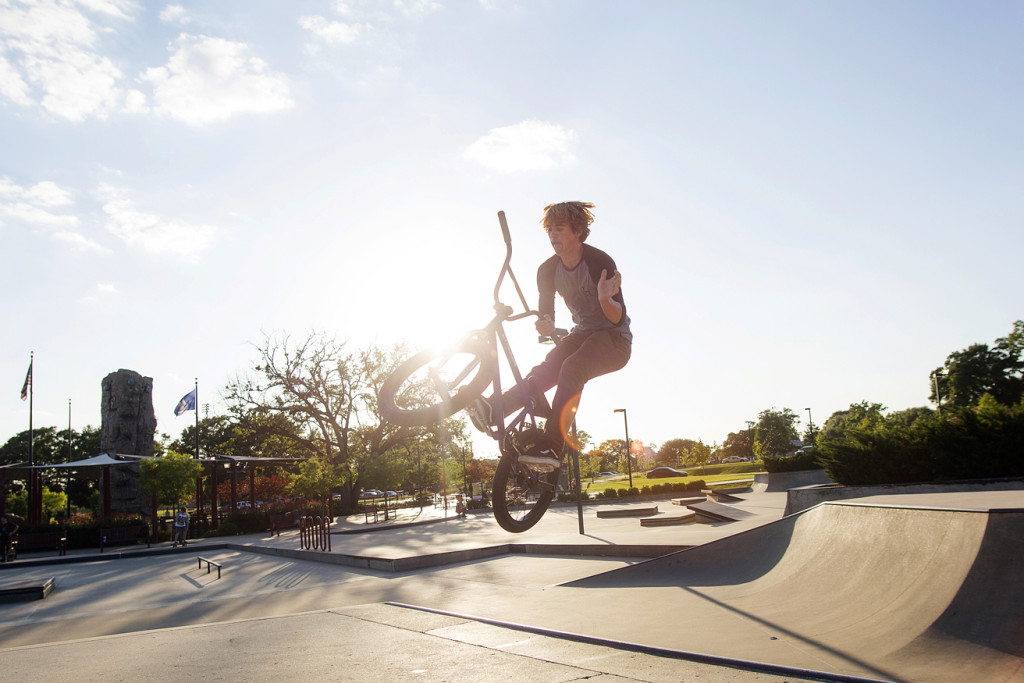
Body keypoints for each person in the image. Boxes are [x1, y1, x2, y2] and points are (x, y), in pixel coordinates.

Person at [469, 201, 632, 469]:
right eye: (550, 230)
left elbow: (616, 317)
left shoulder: (599, 262)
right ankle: (493, 410)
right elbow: (547, 319)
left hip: (614, 340)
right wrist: (544, 327)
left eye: (560, 229)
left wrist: (604, 299)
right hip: (582, 334)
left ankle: (554, 446)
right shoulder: (547, 270)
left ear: (578, 232)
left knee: (571, 368)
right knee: (544, 370)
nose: (553, 236)